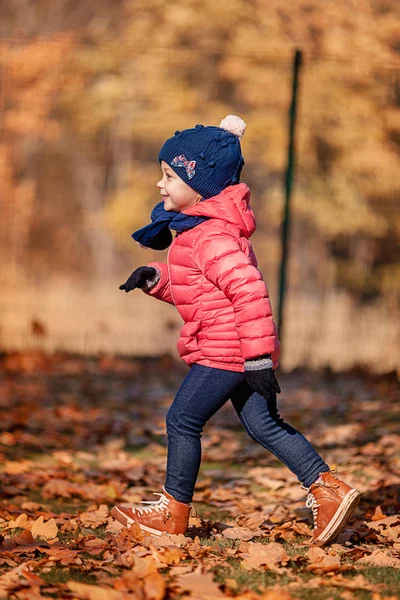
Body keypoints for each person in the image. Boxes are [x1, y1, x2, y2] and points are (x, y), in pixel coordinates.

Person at [111, 115, 360, 546]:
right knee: (263, 424)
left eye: (169, 175)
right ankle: (329, 489)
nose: (160, 184)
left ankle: (173, 512)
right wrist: (157, 280)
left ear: (200, 184)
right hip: (237, 347)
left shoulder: (211, 237)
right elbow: (205, 295)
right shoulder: (198, 233)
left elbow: (249, 293)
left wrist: (258, 358)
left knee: (183, 419)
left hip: (227, 350)